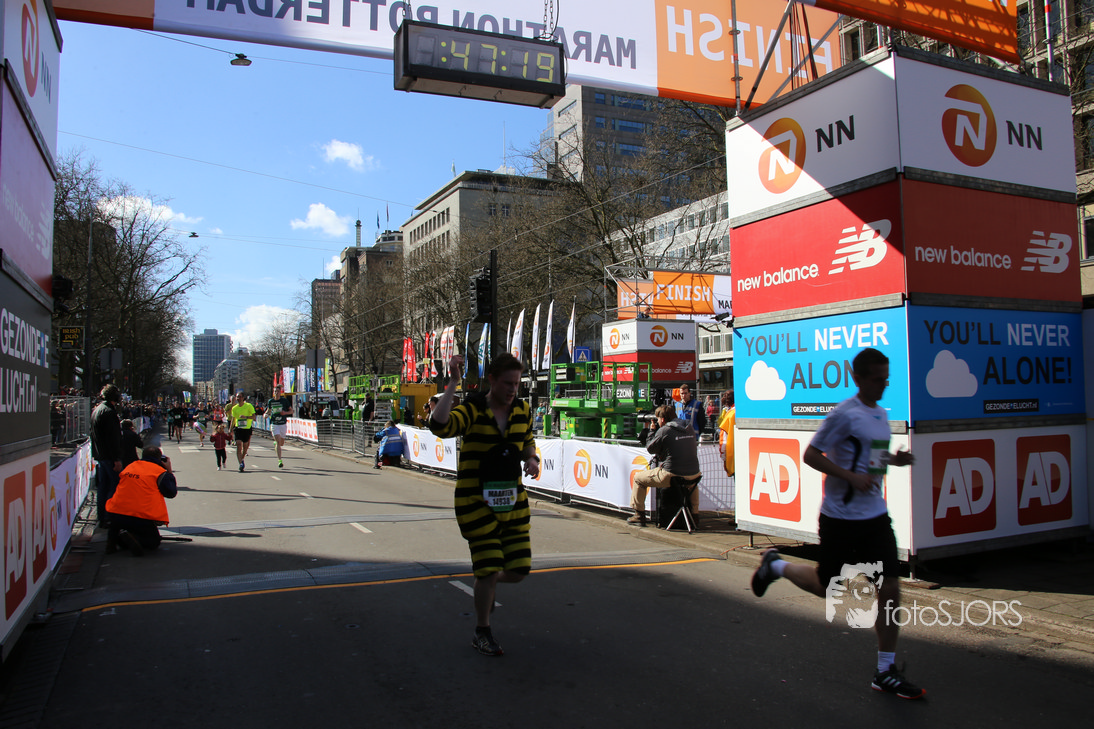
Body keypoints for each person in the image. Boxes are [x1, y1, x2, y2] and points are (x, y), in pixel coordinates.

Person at [750, 347, 922, 700]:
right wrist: (849, 476)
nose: (883, 385)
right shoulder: (844, 414)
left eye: (886, 378)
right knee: (826, 587)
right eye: (877, 379)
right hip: (840, 518)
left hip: (875, 517)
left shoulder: (880, 414)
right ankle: (776, 566)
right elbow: (811, 454)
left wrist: (894, 459)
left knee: (890, 588)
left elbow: (871, 456)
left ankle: (885, 670)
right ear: (858, 378)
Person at [429, 353, 539, 657]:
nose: (513, 389)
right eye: (507, 383)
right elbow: (439, 425)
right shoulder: (473, 409)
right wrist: (453, 383)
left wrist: (531, 458)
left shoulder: (522, 410)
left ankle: (486, 586)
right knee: (488, 567)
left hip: (513, 502)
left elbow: (527, 441)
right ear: (492, 380)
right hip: (475, 501)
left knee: (519, 569)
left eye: (516, 384)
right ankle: (482, 630)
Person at [627, 404, 702, 526]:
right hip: (695, 474)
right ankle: (695, 515)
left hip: (672, 474)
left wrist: (652, 431)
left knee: (638, 478)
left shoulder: (665, 430)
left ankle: (639, 515)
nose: (657, 422)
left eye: (658, 419)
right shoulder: (689, 427)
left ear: (662, 419)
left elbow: (650, 448)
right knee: (692, 484)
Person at [105, 445, 177, 556]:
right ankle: (135, 539)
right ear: (160, 459)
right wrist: (169, 471)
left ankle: (114, 540)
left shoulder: (130, 466)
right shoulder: (159, 472)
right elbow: (171, 492)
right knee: (153, 542)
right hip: (141, 515)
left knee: (117, 521)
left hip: (116, 512)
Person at [90, 384, 124, 527]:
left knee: (103, 487)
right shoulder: (109, 412)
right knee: (113, 485)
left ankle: (102, 517)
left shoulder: (97, 410)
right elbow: (113, 438)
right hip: (109, 456)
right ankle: (109, 515)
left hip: (101, 455)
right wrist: (116, 458)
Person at [229, 392, 256, 472]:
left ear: (243, 398)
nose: (238, 398)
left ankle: (242, 459)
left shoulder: (248, 406)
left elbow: (254, 417)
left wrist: (246, 417)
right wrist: (230, 429)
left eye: (240, 397)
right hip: (238, 428)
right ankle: (240, 463)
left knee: (245, 446)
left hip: (247, 428)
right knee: (238, 444)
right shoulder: (234, 408)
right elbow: (233, 419)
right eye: (237, 397)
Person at [266, 393, 293, 468]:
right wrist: (265, 414)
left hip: (282, 424)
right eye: (275, 391)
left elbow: (291, 411)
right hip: (274, 424)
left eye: (278, 391)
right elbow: (268, 410)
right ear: (273, 393)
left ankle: (277, 443)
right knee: (278, 441)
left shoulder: (284, 401)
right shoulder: (271, 401)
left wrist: (285, 413)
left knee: (281, 443)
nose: (276, 393)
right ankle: (280, 460)